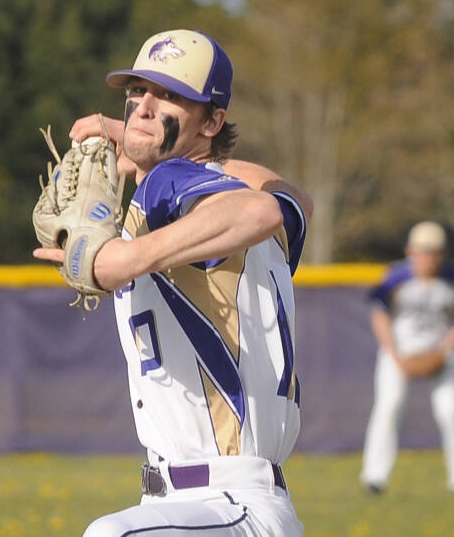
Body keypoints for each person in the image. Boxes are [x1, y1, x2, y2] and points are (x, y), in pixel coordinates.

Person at [34, 29, 312, 536]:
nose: (143, 105)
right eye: (137, 91)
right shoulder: (199, 189)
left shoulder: (169, 186)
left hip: (225, 500)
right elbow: (292, 201)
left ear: (212, 121)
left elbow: (259, 207)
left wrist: (127, 258)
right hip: (220, 507)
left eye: (169, 96)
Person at [360, 221, 454, 495]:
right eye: (421, 251)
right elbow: (379, 313)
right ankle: (374, 478)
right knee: (388, 408)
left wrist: (446, 347)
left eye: (433, 251)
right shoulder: (396, 277)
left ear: (443, 253)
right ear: (409, 251)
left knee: (450, 410)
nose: (426, 257)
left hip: (441, 353)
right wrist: (394, 353)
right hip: (399, 351)